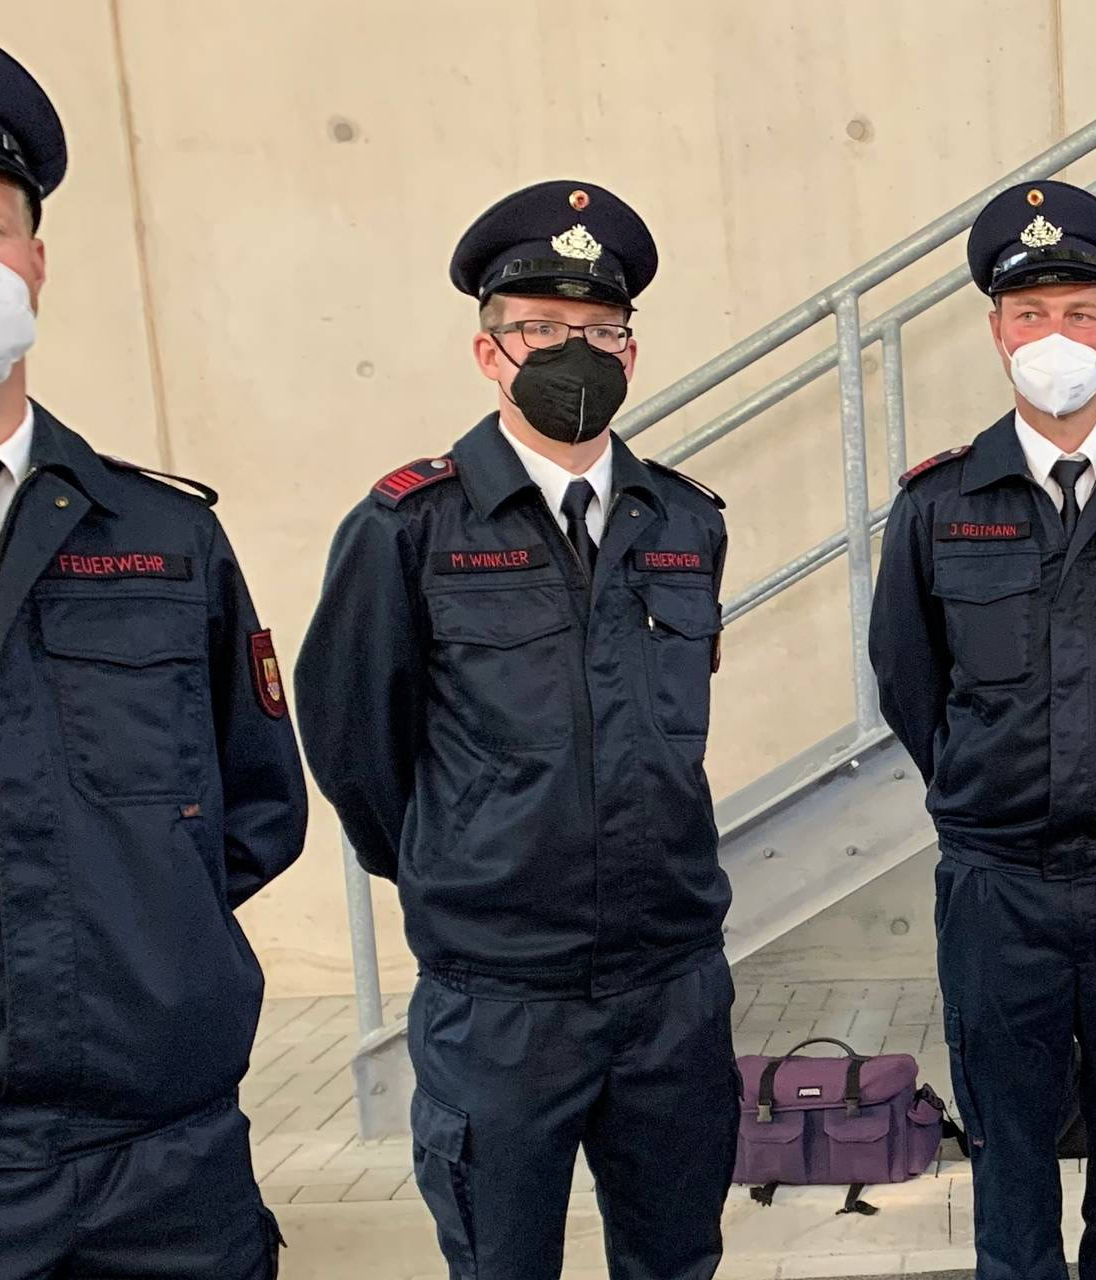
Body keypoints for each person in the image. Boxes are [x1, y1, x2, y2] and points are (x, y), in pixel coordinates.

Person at [0, 12, 306, 1276]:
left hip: (164, 1156)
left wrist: (145, 935)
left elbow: (255, 806)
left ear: (37, 264)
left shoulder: (162, 531)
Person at [298, 181, 739, 1280]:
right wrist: (462, 862)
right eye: (541, 329)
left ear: (630, 356)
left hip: (670, 982)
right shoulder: (409, 526)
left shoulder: (686, 520)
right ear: (489, 353)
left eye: (597, 331)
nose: (572, 351)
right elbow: (355, 743)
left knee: (677, 1256)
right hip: (501, 996)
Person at [870, 180, 1096, 1280]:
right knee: (1010, 1143)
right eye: (1030, 314)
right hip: (998, 882)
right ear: (995, 331)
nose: (1056, 336)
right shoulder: (938, 503)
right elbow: (909, 681)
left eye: (1080, 311)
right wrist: (992, 784)